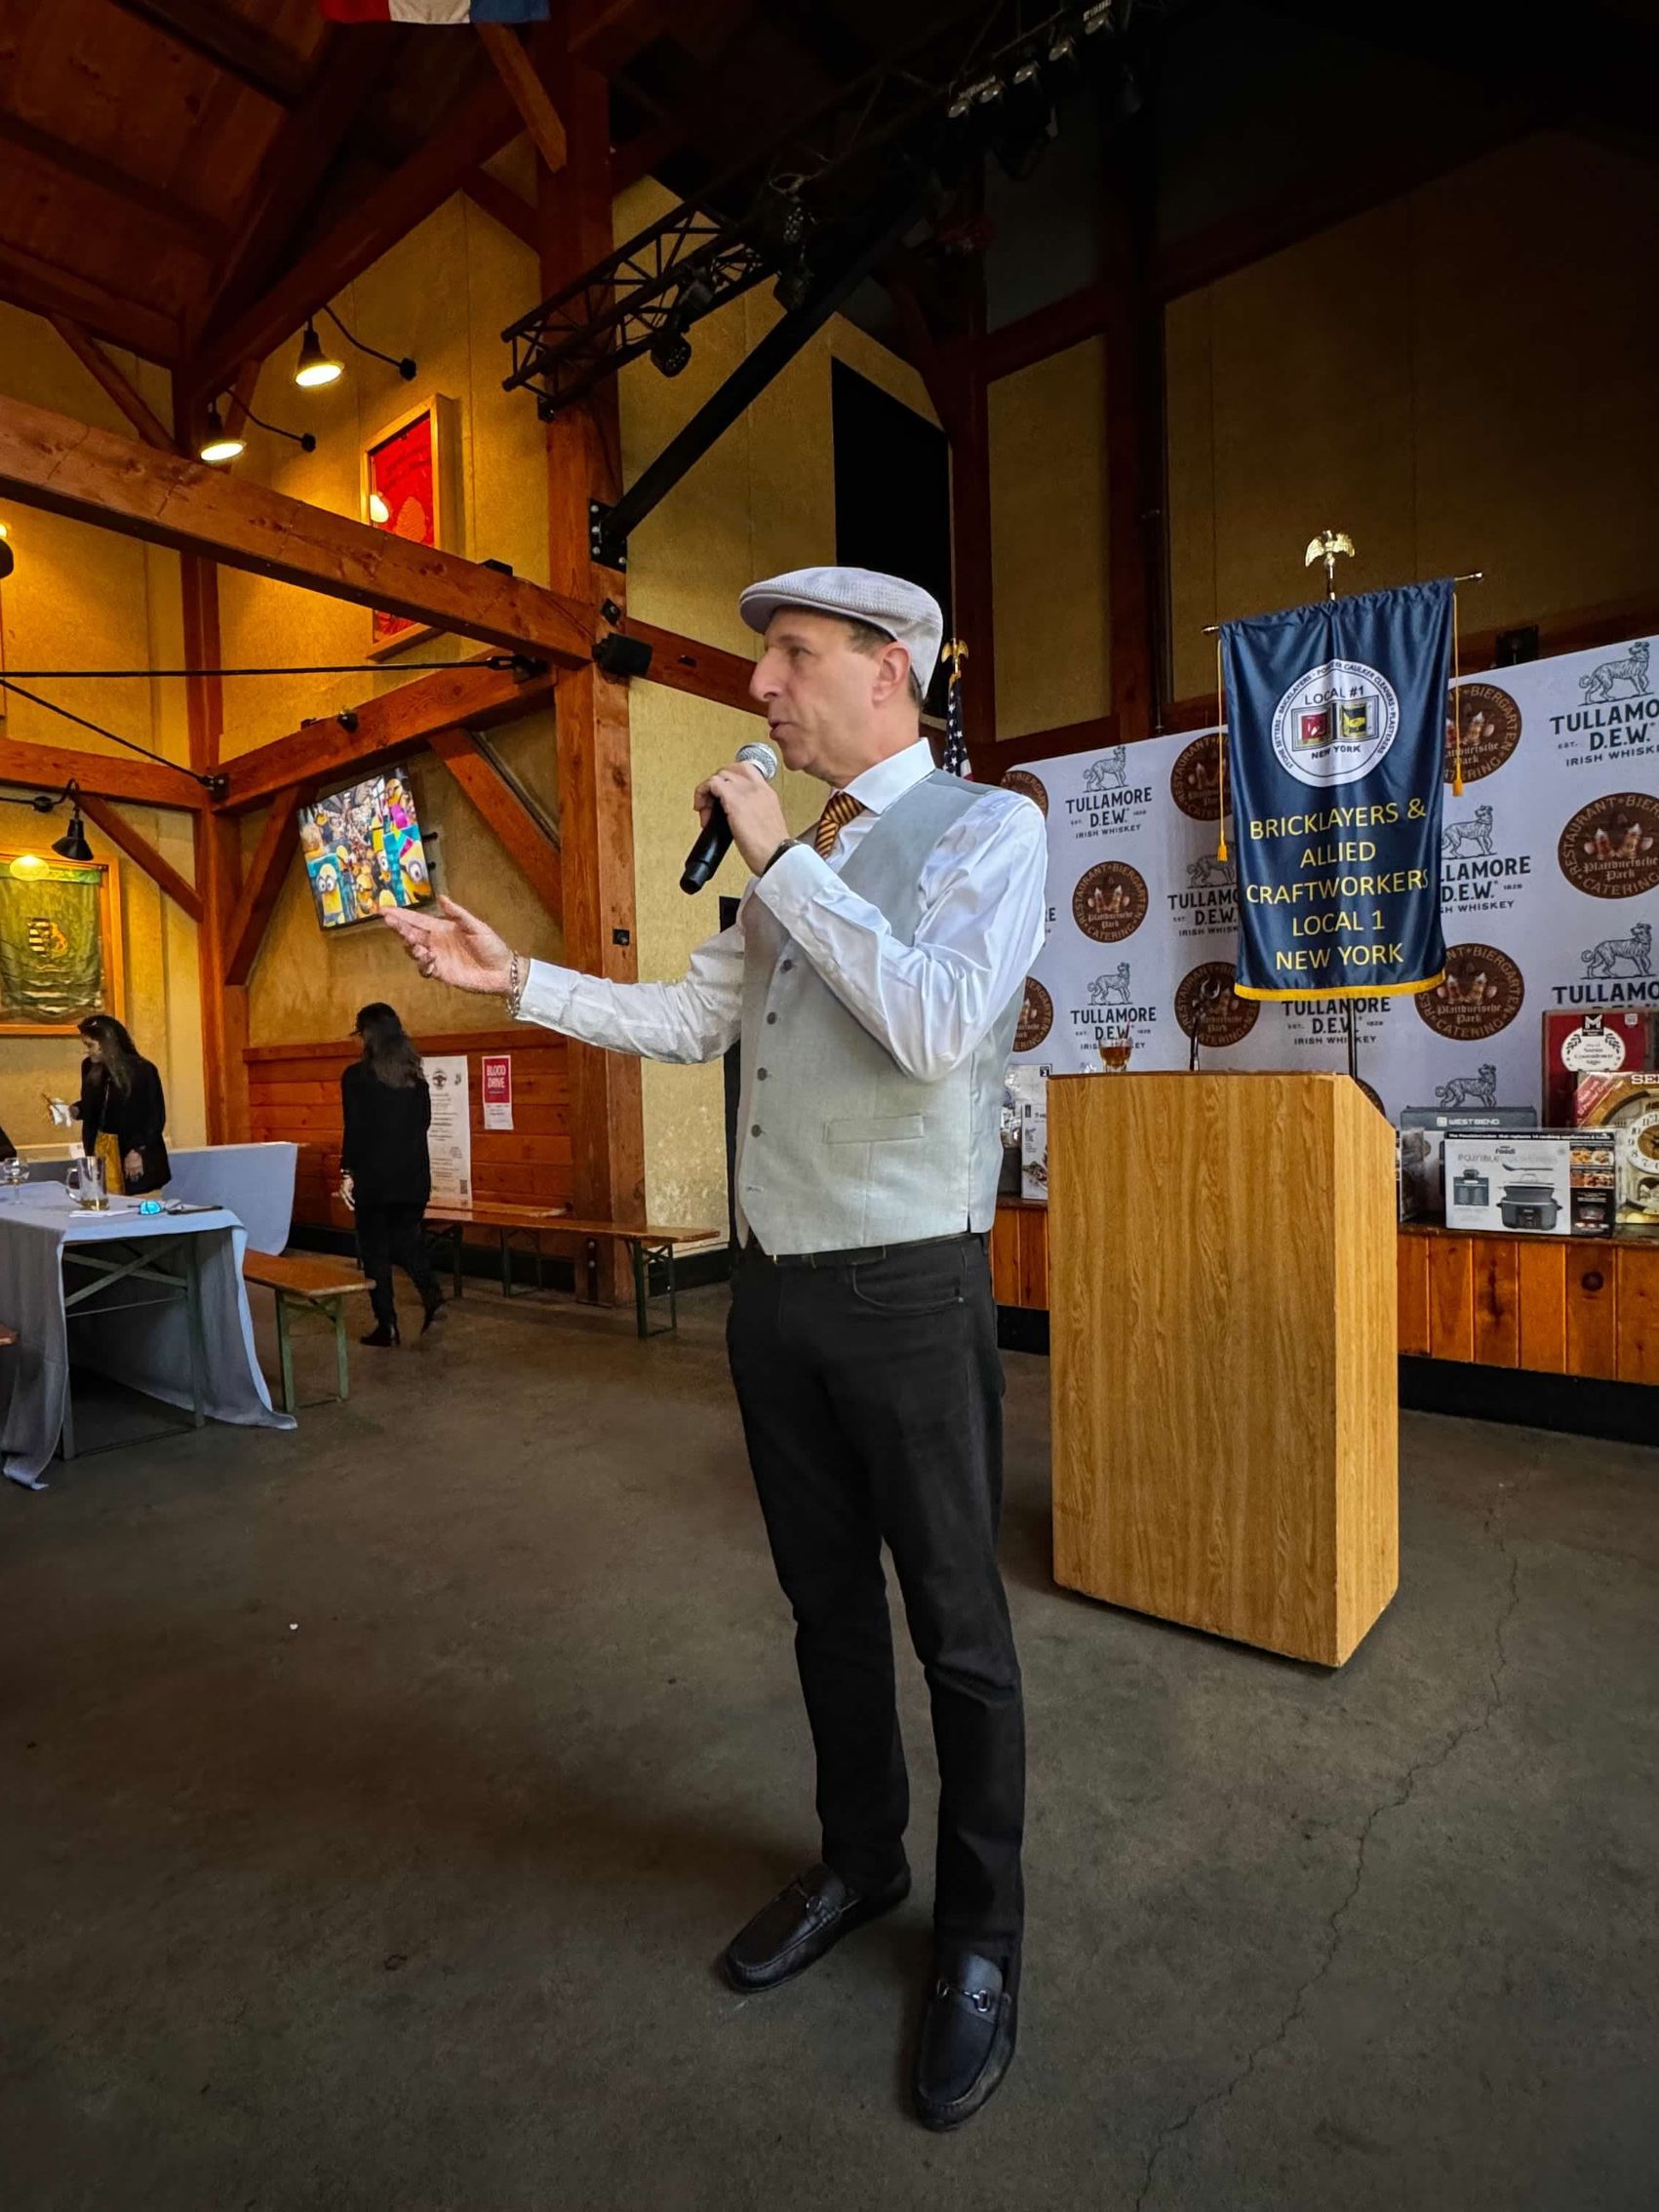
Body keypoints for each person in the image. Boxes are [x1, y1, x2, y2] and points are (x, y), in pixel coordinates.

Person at [383, 567, 1046, 2131]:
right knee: (823, 1606)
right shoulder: (796, 851)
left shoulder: (987, 828)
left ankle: (981, 1934)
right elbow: (695, 1025)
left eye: (791, 660)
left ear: (891, 671)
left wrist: (776, 860)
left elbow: (942, 1023)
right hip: (778, 1294)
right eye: (764, 664)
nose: (760, 690)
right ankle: (860, 1856)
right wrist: (515, 980)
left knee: (953, 1622)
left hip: (909, 1284)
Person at [339, 1003, 445, 1349]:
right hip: (413, 1177)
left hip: (374, 1179)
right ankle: (430, 1291)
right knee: (407, 1241)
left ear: (366, 1035)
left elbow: (355, 1130)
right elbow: (423, 1126)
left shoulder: (356, 1077)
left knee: (375, 1253)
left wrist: (347, 1171)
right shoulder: (417, 1080)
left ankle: (388, 1325)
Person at [68, 1015, 170, 1195]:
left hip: (135, 1153)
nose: (88, 1052)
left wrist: (136, 1151)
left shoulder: (142, 1070)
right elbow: (97, 1106)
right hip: (100, 1152)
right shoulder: (89, 1067)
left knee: (141, 1211)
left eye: (90, 1046)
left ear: (107, 1043)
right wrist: (76, 1109)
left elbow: (155, 1117)